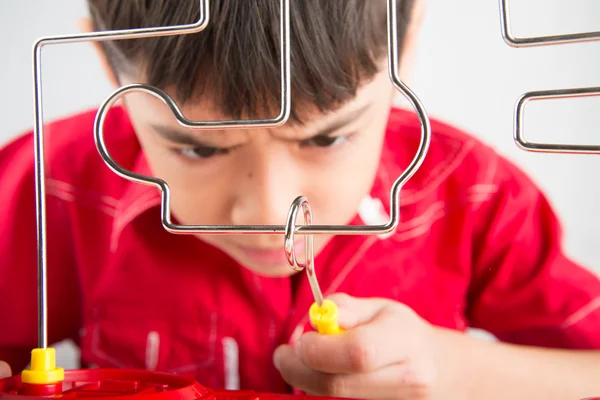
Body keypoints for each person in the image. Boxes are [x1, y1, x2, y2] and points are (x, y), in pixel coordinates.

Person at [1, 1, 600, 399]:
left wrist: (458, 372)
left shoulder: (475, 195)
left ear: (408, 39)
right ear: (109, 61)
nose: (267, 212)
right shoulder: (50, 184)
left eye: (326, 137)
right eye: (199, 149)